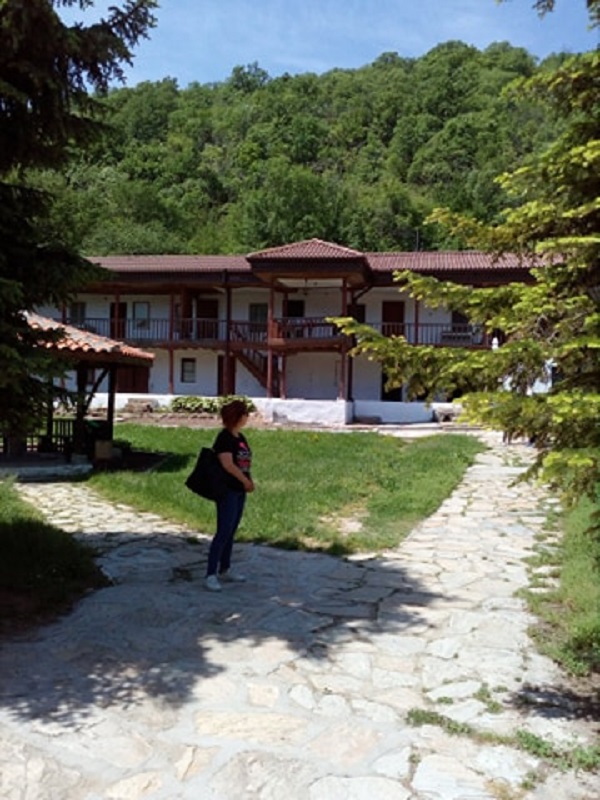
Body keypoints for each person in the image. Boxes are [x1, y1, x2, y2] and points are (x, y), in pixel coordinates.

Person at [205, 400, 254, 591]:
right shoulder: (224, 438)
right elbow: (228, 464)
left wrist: (247, 481)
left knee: (231, 530)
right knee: (223, 531)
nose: (247, 417)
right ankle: (210, 574)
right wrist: (244, 480)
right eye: (245, 413)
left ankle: (225, 568)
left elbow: (244, 462)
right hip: (227, 490)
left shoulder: (240, 437)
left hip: (239, 489)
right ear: (238, 416)